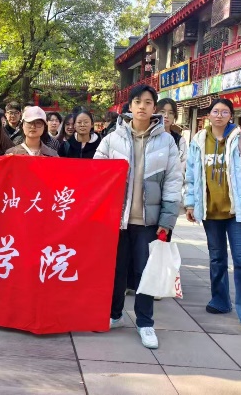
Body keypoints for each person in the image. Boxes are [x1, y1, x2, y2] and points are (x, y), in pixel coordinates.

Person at [94, 84, 182, 349]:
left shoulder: (166, 141)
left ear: (154, 108)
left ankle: (145, 323)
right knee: (116, 270)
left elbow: (173, 182)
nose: (142, 106)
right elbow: (96, 175)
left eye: (147, 102)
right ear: (130, 106)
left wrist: (167, 221)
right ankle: (115, 315)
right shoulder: (112, 139)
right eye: (137, 102)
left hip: (148, 221)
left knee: (145, 272)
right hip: (117, 220)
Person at [184, 98, 241, 336]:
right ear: (208, 115)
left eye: (224, 112)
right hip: (211, 211)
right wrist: (190, 203)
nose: (219, 115)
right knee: (217, 258)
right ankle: (220, 300)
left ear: (231, 115)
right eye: (215, 111)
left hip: (237, 211)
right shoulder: (199, 141)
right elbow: (191, 174)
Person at [157, 98, 187, 174]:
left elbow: (183, 165)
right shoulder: (148, 135)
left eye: (170, 113)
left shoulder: (179, 140)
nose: (166, 116)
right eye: (162, 111)